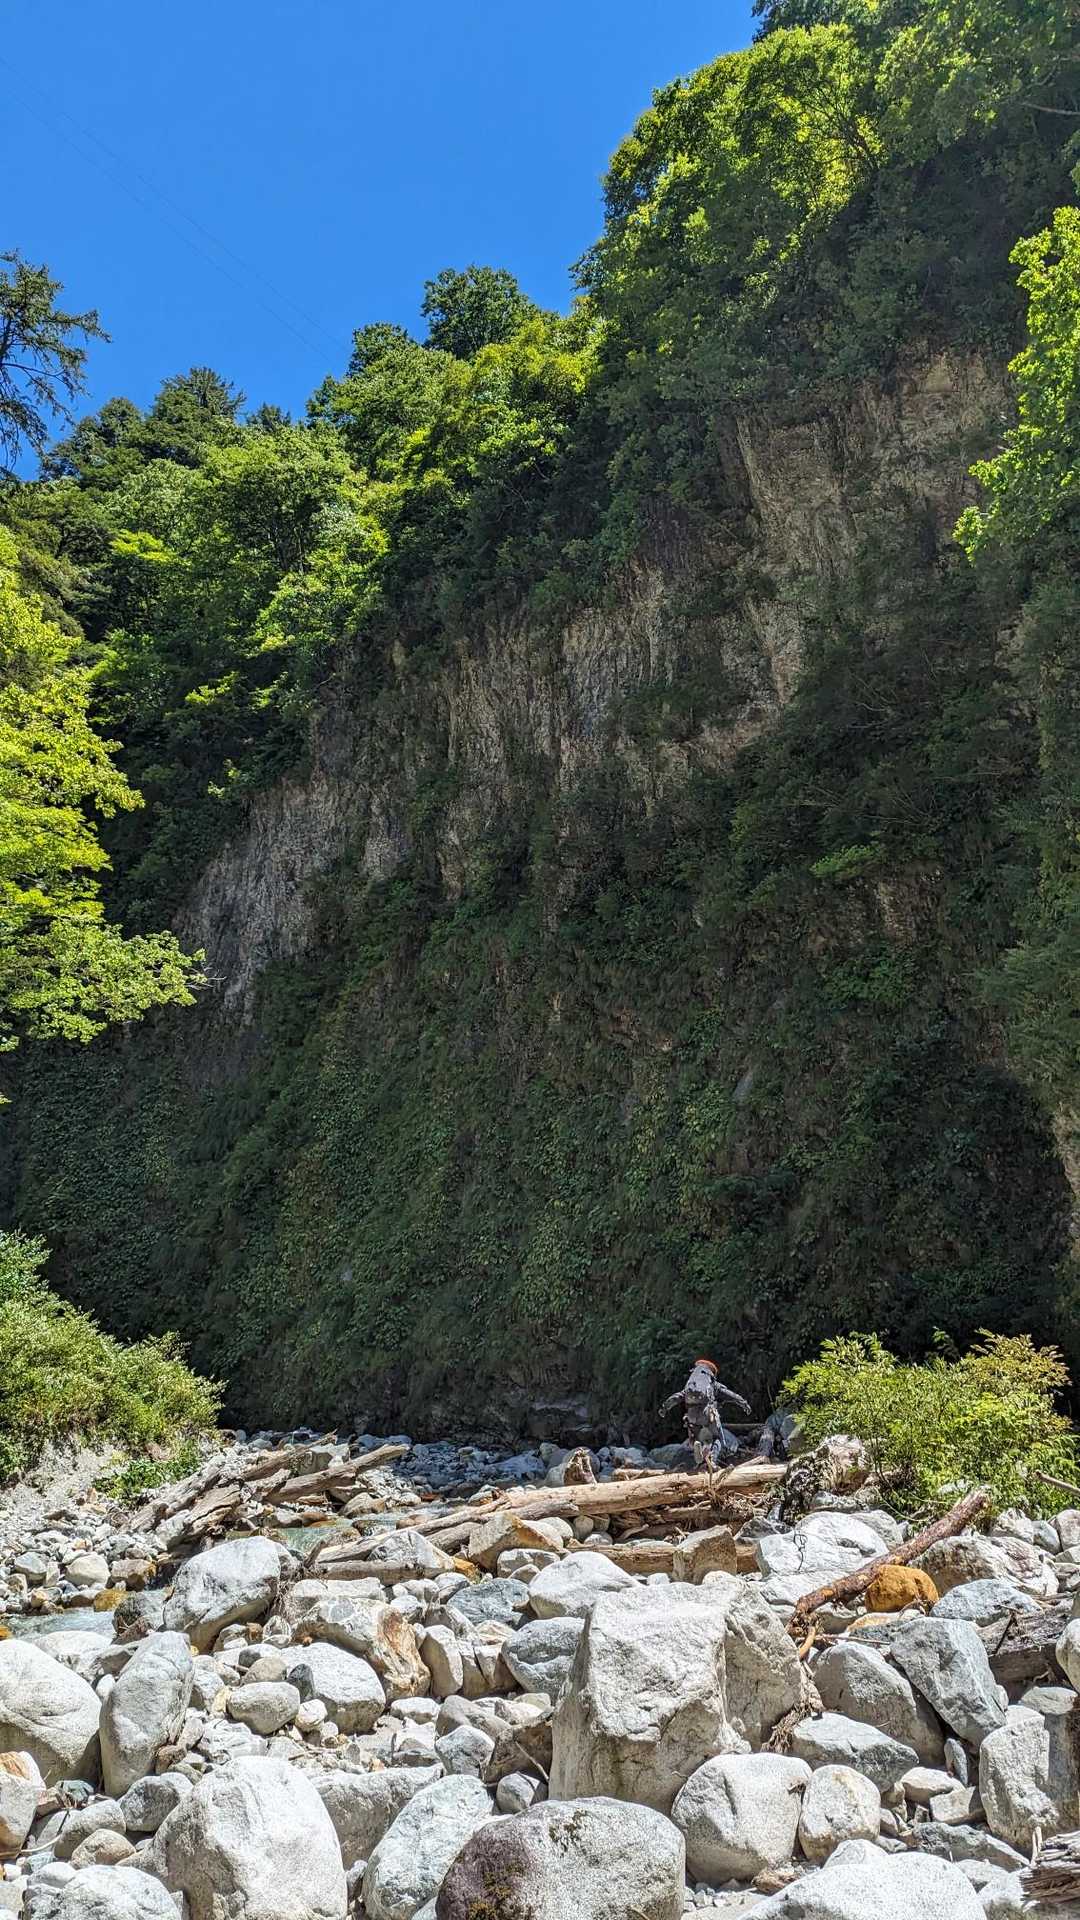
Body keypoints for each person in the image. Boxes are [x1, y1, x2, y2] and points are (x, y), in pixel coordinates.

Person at [660, 1358, 751, 1477]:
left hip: (691, 1416)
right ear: (711, 1372)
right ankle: (712, 1461)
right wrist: (744, 1404)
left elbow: (677, 1397)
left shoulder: (691, 1385)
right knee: (718, 1438)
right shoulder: (712, 1383)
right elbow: (730, 1395)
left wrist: (664, 1408)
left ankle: (699, 1450)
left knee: (698, 1438)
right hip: (707, 1414)